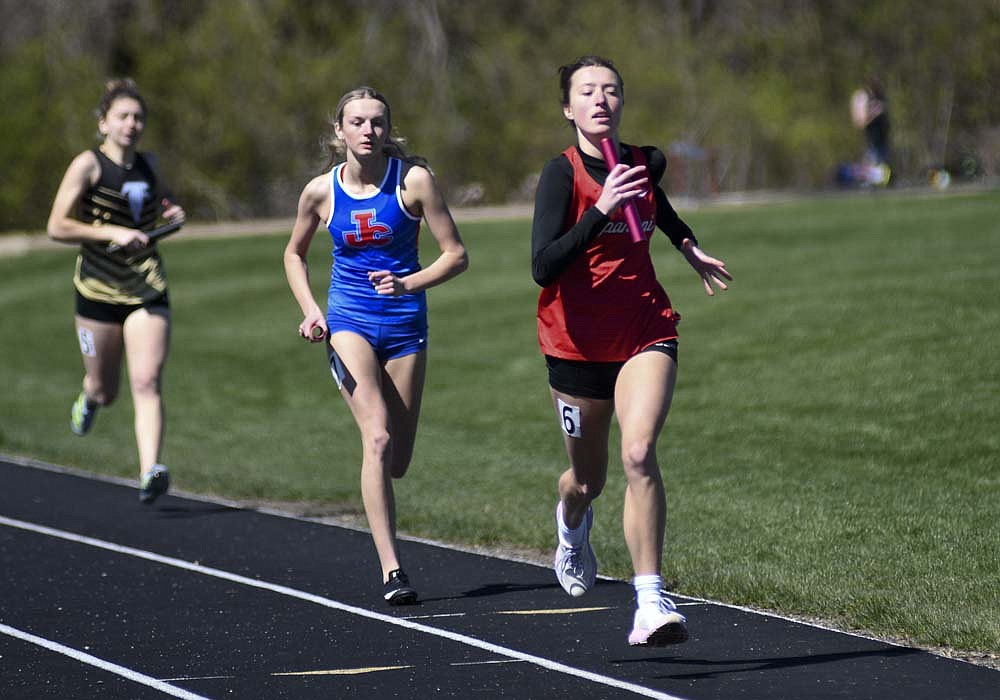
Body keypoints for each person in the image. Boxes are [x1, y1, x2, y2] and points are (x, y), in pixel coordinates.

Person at [531, 56, 731, 646]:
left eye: (611, 90)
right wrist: (600, 210)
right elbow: (542, 265)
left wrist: (686, 244)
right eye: (587, 92)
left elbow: (657, 204)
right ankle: (570, 523)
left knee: (639, 453)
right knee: (586, 481)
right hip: (575, 346)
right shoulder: (561, 176)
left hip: (646, 327)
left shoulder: (647, 161)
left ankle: (649, 603)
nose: (601, 100)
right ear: (568, 107)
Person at [284, 87, 468, 605]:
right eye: (358, 122)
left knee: (399, 460)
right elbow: (294, 255)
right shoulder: (320, 192)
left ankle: (381, 505)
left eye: (378, 122)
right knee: (378, 439)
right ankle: (392, 570)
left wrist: (409, 283)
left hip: (407, 325)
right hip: (349, 323)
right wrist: (311, 310)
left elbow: (455, 255)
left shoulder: (413, 182)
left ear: (389, 130)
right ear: (339, 131)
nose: (369, 131)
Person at [47, 78, 186, 505]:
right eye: (123, 116)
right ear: (104, 122)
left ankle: (150, 470)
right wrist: (112, 232)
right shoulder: (87, 165)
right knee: (107, 389)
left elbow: (161, 206)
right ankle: (89, 397)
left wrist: (173, 213)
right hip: (97, 291)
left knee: (147, 380)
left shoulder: (149, 164)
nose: (132, 124)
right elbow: (56, 226)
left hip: (146, 287)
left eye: (138, 117)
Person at [849, 78, 891, 186]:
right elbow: (860, 121)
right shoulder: (862, 97)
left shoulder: (877, 98)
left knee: (883, 164)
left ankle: (879, 183)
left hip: (882, 136)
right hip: (872, 138)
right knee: (873, 162)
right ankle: (868, 183)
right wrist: (875, 112)